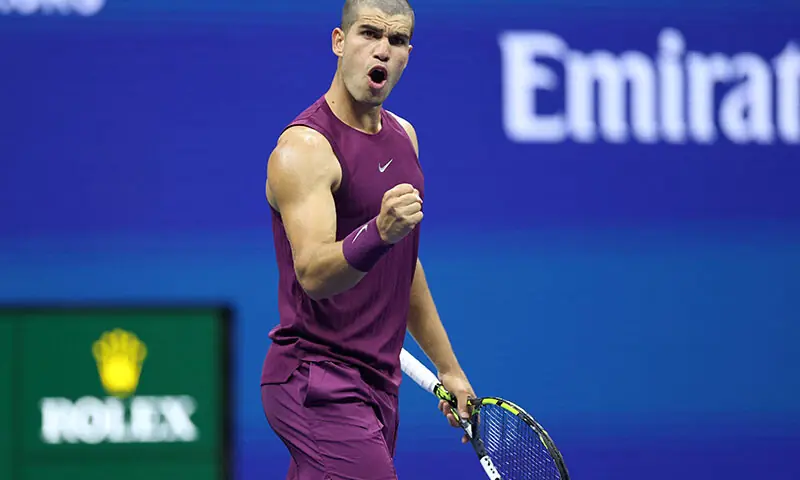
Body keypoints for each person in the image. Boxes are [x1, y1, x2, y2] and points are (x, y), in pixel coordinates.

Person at [260, 0, 475, 478]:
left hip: (378, 383)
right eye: (369, 34)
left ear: (407, 55)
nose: (382, 50)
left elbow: (405, 266)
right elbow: (314, 274)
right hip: (315, 379)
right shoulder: (304, 149)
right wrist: (377, 231)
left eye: (396, 41)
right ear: (339, 42)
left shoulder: (405, 137)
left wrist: (449, 368)